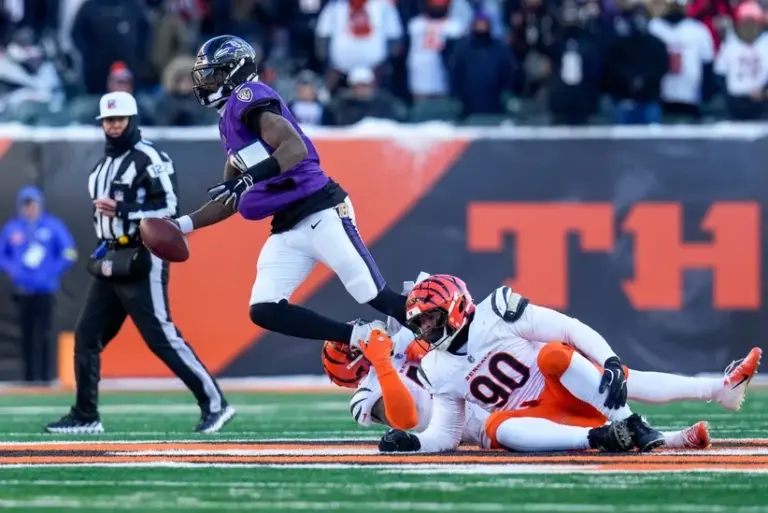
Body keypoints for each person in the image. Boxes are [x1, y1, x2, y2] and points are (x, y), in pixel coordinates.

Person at [171, 35, 408, 350]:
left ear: (234, 71)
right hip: (287, 226)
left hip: (320, 210)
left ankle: (453, 327)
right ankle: (360, 338)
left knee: (375, 295)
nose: (206, 83)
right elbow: (229, 199)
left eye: (213, 74)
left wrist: (247, 178)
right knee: (265, 309)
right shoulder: (228, 122)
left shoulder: (246, 96)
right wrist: (181, 225)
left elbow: (294, 147)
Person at [325, 275, 716, 453]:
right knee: (497, 426)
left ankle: (636, 423)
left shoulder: (497, 311)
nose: (424, 328)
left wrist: (609, 359)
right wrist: (415, 444)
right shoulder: (435, 366)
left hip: (569, 385)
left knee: (557, 354)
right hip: (535, 420)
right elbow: (443, 433)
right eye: (420, 323)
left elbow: (568, 328)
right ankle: (607, 438)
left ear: (456, 308)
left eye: (430, 319)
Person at [45, 91, 234, 435]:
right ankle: (86, 414)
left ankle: (215, 404)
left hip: (142, 254)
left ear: (132, 120)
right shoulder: (102, 166)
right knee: (86, 337)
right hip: (110, 257)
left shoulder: (150, 158)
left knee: (161, 336)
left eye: (119, 119)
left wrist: (124, 210)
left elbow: (170, 210)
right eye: (108, 120)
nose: (113, 126)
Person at [0, 186, 77, 384]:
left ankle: (45, 376)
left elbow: (70, 253)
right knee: (25, 334)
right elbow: (2, 254)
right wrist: (13, 269)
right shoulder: (13, 228)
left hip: (45, 290)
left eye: (33, 203)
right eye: (26, 204)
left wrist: (51, 271)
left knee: (44, 333)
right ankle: (28, 378)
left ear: (39, 205)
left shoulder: (53, 226)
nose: (30, 208)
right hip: (22, 290)